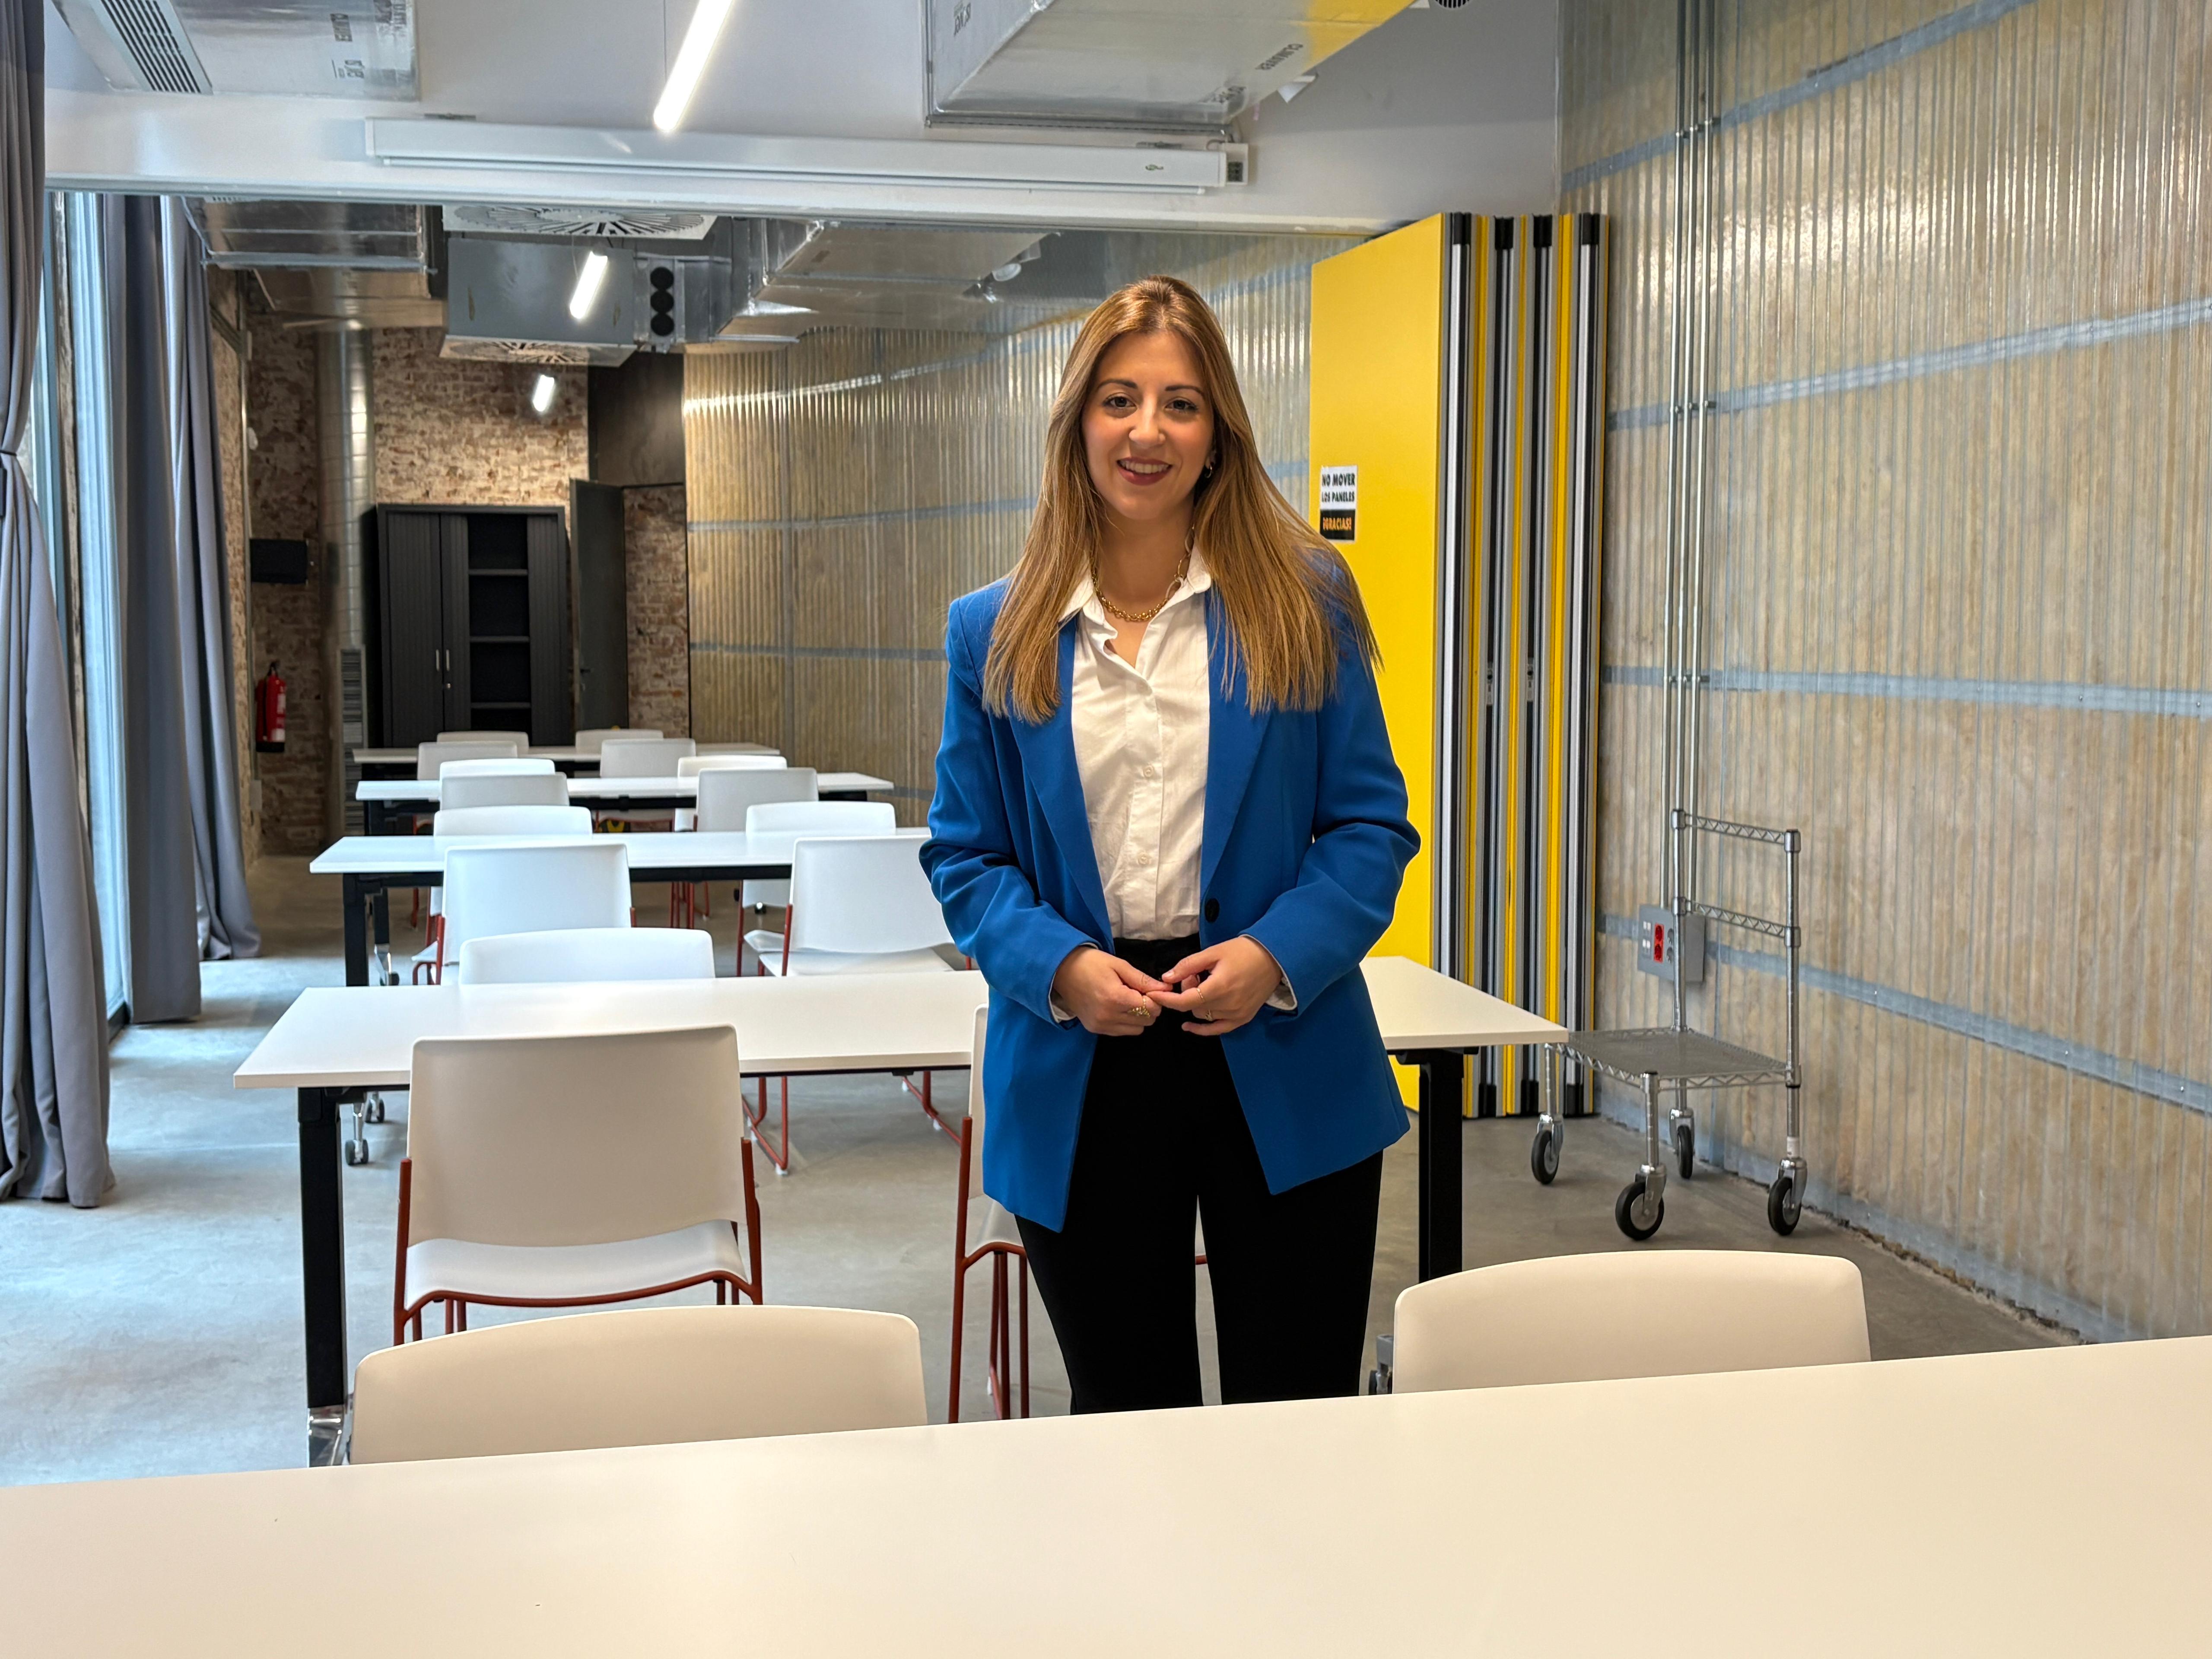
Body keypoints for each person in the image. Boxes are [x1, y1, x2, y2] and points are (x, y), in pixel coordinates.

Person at [921, 275, 1417, 1413]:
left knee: (1296, 1415)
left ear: (1217, 433)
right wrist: (1058, 967)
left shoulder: (1305, 602)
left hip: (1279, 1041)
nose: (1147, 430)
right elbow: (966, 855)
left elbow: (1368, 826)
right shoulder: (993, 631)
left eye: (1181, 404)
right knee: (1126, 1425)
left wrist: (1275, 956)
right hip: (1083, 1058)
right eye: (1120, 399)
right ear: (1078, 423)